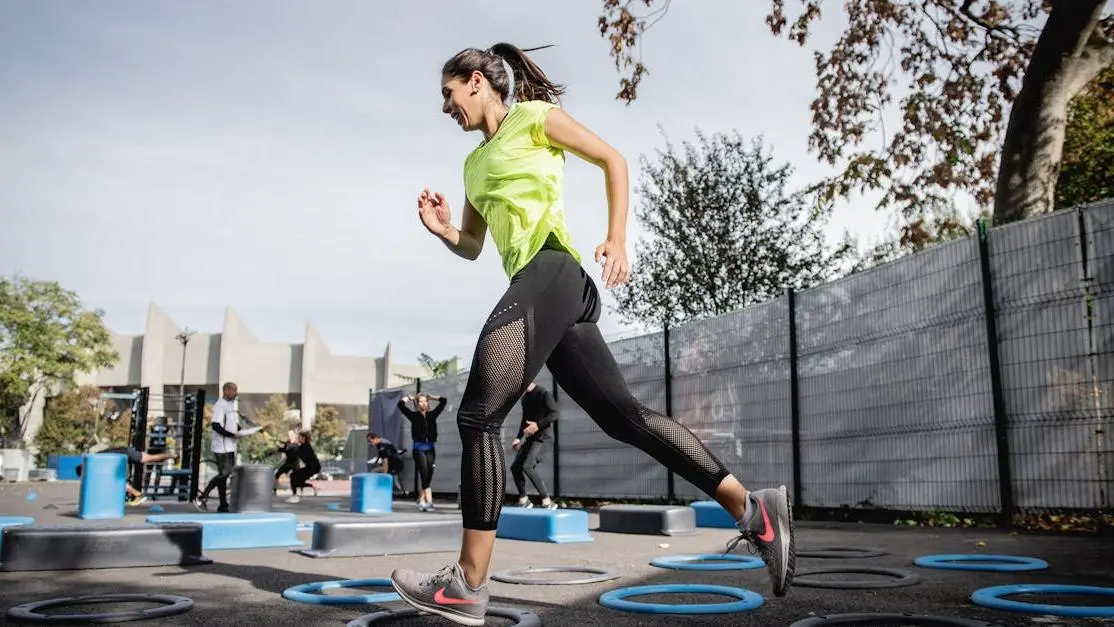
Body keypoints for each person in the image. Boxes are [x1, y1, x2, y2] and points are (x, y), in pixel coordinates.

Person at [387, 43, 795, 625]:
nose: (446, 108)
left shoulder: (532, 119)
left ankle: (467, 583)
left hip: (553, 270)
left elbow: (612, 160)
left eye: (448, 94)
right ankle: (754, 510)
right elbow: (476, 246)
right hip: (546, 294)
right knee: (623, 418)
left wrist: (617, 237)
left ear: (476, 82)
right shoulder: (473, 166)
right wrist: (444, 228)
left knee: (478, 415)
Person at [193, 381, 242, 513]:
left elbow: (232, 423)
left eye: (236, 390)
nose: (235, 393)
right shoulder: (220, 405)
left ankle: (223, 504)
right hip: (221, 446)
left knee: (225, 475)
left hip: (230, 446)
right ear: (226, 391)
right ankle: (202, 497)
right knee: (224, 473)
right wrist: (230, 435)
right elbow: (216, 425)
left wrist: (239, 429)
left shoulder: (232, 405)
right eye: (233, 390)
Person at [510, 381, 558, 509]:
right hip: (531, 439)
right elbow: (524, 420)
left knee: (527, 466)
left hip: (543, 438)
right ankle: (524, 499)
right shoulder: (525, 398)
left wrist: (537, 425)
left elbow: (554, 414)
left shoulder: (543, 393)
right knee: (515, 467)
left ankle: (547, 501)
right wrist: (518, 438)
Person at [76, 446, 176, 506]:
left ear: (83, 469)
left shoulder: (94, 463)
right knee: (149, 458)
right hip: (124, 453)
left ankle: (138, 495)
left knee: (148, 459)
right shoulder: (93, 459)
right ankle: (171, 455)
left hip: (126, 453)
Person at [397, 393, 447, 511]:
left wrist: (433, 397)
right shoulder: (413, 416)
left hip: (430, 448)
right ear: (417, 404)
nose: (423, 403)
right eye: (421, 401)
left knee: (429, 474)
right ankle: (429, 502)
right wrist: (409, 398)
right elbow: (400, 405)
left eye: (425, 401)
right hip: (418, 449)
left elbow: (443, 400)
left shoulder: (432, 415)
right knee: (424, 474)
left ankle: (420, 499)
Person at [286, 429, 320, 504]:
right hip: (311, 467)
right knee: (296, 480)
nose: (298, 439)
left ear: (303, 438)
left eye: (299, 437)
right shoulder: (303, 446)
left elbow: (296, 452)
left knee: (293, 476)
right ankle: (313, 487)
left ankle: (295, 495)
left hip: (313, 467)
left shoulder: (305, 446)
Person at [273, 429, 300, 495]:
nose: (289, 436)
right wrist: (277, 449)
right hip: (288, 463)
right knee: (277, 474)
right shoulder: (287, 443)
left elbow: (288, 449)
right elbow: (284, 450)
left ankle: (295, 492)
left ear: (294, 435)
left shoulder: (296, 443)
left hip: (295, 463)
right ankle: (274, 490)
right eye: (288, 434)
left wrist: (280, 448)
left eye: (291, 434)